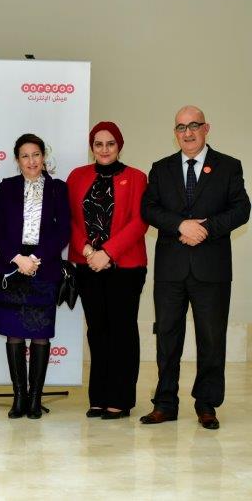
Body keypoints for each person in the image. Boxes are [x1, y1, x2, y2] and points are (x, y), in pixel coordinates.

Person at [140, 106, 249, 429]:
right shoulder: (161, 168)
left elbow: (242, 209)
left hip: (211, 269)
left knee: (211, 338)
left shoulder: (228, 166)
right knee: (167, 337)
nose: (187, 133)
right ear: (175, 132)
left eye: (193, 126)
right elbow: (149, 208)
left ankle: (207, 404)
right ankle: (165, 403)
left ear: (206, 128)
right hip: (171, 269)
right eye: (180, 127)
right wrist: (180, 225)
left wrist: (206, 229)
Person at [67, 122, 148, 420]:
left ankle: (120, 399)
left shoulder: (137, 177)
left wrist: (108, 253)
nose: (104, 149)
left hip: (126, 267)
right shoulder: (77, 176)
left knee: (122, 332)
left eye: (110, 143)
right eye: (98, 144)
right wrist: (89, 252)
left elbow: (140, 221)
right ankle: (99, 397)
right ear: (92, 147)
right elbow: (68, 219)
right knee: (97, 332)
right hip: (87, 265)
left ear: (119, 146)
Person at [0, 134, 70, 419]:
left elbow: (63, 230)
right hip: (12, 267)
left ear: (43, 157)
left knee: (40, 336)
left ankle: (35, 398)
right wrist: (17, 258)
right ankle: (19, 398)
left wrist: (36, 259)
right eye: (25, 156)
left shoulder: (58, 189)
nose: (31, 161)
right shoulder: (6, 187)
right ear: (17, 160)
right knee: (14, 334)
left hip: (44, 267)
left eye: (36, 154)